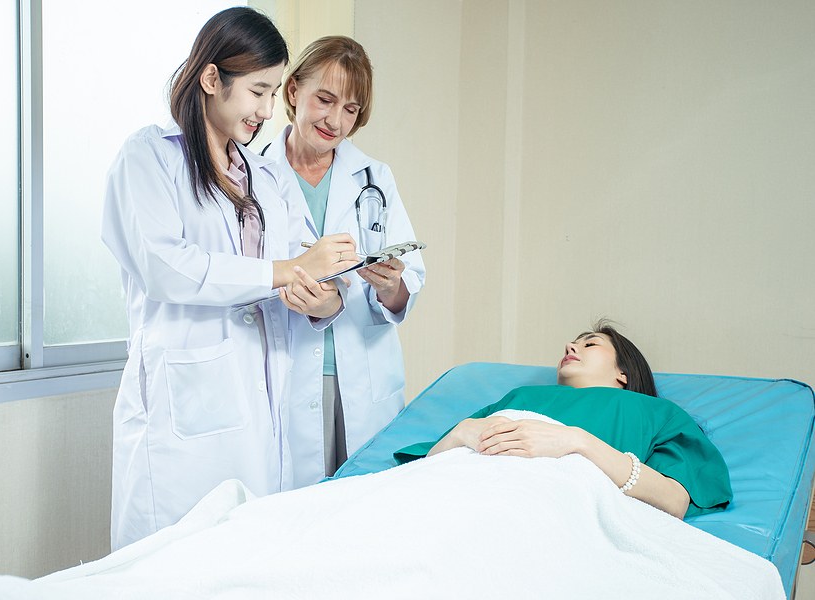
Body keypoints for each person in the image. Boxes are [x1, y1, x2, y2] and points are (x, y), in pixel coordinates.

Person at [101, 8, 361, 550]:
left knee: (246, 558)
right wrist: (285, 271)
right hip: (184, 406)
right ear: (211, 78)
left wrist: (323, 298)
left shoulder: (263, 176)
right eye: (257, 91)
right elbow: (165, 267)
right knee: (169, 562)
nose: (267, 110)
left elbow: (296, 263)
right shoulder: (149, 157)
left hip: (258, 402)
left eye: (273, 94)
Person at [262, 36, 426, 486]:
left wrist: (390, 286)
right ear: (293, 90)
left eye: (350, 109)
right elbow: (247, 277)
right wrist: (311, 298)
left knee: (364, 505)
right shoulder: (255, 175)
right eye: (325, 99)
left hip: (361, 372)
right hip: (289, 368)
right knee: (298, 511)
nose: (335, 120)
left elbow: (409, 281)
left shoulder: (375, 177)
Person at [395, 321, 733, 519]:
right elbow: (428, 464)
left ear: (624, 373)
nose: (571, 346)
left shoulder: (652, 412)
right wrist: (461, 431)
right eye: (573, 342)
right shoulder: (519, 398)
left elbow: (674, 501)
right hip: (452, 490)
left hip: (539, 505)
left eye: (590, 343)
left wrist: (577, 441)